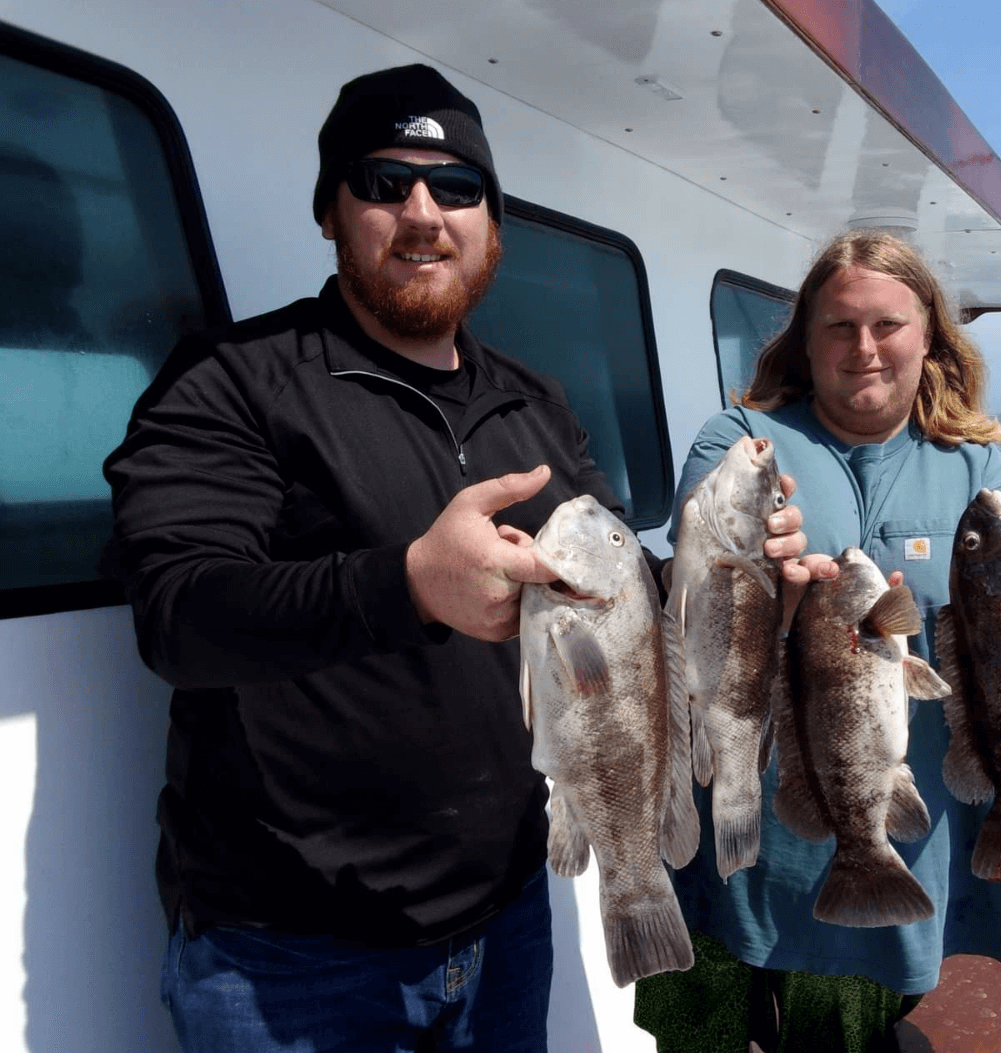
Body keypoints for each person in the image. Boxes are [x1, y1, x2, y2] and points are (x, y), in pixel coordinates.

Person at [100, 64, 813, 1053]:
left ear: (493, 225)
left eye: (457, 188)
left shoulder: (538, 404)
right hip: (292, 957)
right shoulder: (233, 383)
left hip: (509, 918)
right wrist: (405, 584)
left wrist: (722, 572)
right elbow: (179, 613)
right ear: (330, 212)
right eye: (385, 183)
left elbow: (612, 590)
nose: (424, 212)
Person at [633, 229, 1001, 1053]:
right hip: (740, 834)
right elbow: (695, 587)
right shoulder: (742, 443)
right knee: (695, 1033)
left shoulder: (982, 471)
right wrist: (758, 578)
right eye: (840, 326)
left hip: (897, 836)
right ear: (805, 340)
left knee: (847, 1037)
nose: (865, 347)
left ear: (930, 336)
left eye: (888, 324)